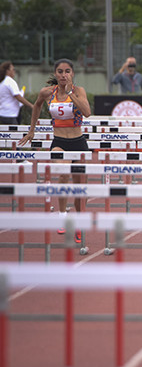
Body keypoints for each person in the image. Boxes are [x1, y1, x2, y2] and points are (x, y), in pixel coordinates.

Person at [19, 59, 92, 243]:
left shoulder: (78, 91)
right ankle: (62, 216)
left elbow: (87, 112)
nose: (63, 75)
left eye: (67, 71)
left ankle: (79, 221)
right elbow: (36, 106)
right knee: (62, 173)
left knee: (79, 190)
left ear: (72, 74)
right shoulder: (47, 92)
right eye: (60, 71)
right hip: (59, 142)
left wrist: (69, 93)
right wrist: (32, 129)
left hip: (79, 143)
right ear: (55, 73)